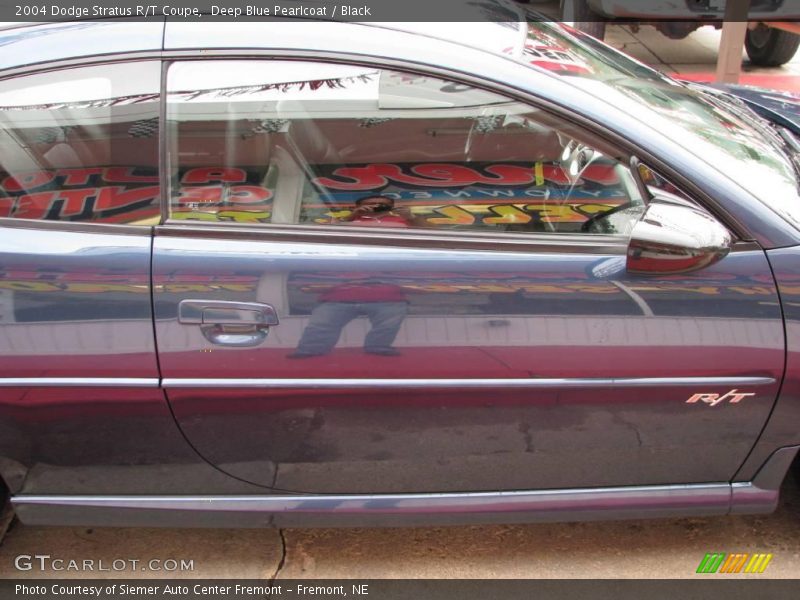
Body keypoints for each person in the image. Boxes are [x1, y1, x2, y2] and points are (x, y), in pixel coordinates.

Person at [289, 277, 408, 358]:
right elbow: (305, 284)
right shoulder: (328, 261)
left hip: (389, 298)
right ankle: (311, 350)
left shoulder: (395, 259)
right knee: (321, 325)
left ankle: (379, 347)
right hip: (336, 299)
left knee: (388, 325)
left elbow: (417, 284)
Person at [335, 195, 423, 227]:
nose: (377, 205)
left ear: (391, 206)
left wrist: (410, 217)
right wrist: (352, 215)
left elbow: (433, 230)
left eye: (382, 204)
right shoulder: (348, 219)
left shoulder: (405, 218)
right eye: (372, 204)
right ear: (358, 207)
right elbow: (332, 231)